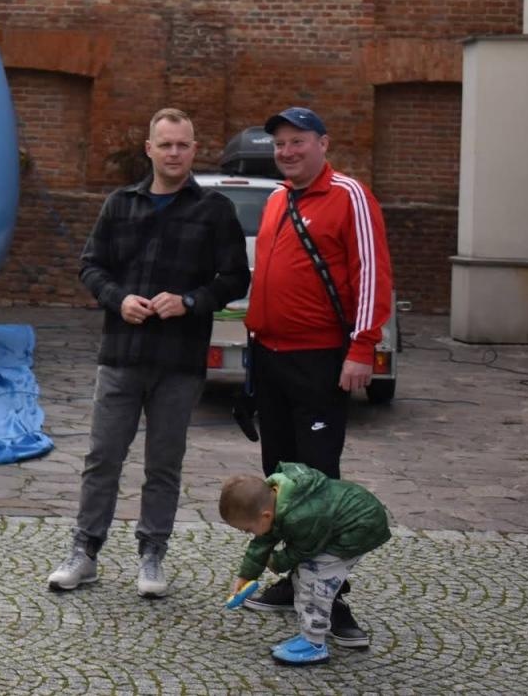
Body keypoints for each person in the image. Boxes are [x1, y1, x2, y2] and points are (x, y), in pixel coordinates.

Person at [47, 108, 249, 598]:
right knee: (102, 458)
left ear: (194, 149)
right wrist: (119, 299)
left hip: (178, 361)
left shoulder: (214, 209)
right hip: (121, 354)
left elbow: (235, 279)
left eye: (182, 145)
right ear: (150, 148)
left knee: (163, 464)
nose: (174, 153)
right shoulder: (120, 204)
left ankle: (152, 554)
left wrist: (190, 301)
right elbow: (91, 266)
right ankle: (85, 552)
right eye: (166, 144)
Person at [241, 106, 392, 638]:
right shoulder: (278, 199)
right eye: (280, 143)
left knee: (319, 484)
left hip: (320, 359)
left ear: (322, 144)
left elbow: (372, 273)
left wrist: (362, 348)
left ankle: (333, 599)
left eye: (297, 141)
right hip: (270, 357)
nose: (286, 151)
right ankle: (291, 581)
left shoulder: (349, 195)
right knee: (282, 481)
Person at [220, 464, 391, 664]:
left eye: (247, 529)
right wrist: (246, 576)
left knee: (313, 580)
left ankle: (314, 644)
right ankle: (311, 634)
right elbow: (263, 540)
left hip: (358, 530)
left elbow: (302, 550)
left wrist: (277, 562)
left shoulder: (299, 517)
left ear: (266, 515)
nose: (248, 534)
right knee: (304, 576)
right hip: (333, 526)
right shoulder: (276, 500)